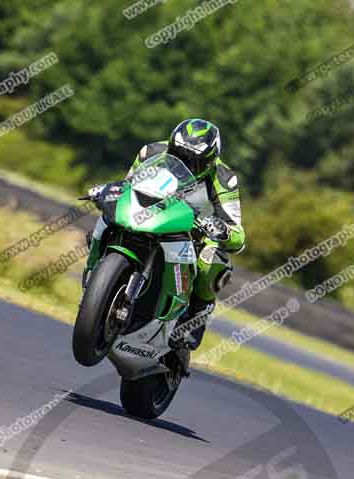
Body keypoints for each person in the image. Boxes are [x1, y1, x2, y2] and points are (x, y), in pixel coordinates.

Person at [84, 118, 245, 350]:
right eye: (179, 154)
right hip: (151, 215)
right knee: (107, 218)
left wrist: (221, 230)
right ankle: (94, 275)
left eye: (194, 161)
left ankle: (195, 318)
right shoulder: (150, 152)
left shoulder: (224, 179)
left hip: (193, 232)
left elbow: (238, 235)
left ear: (210, 161)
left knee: (212, 259)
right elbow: (128, 185)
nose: (185, 162)